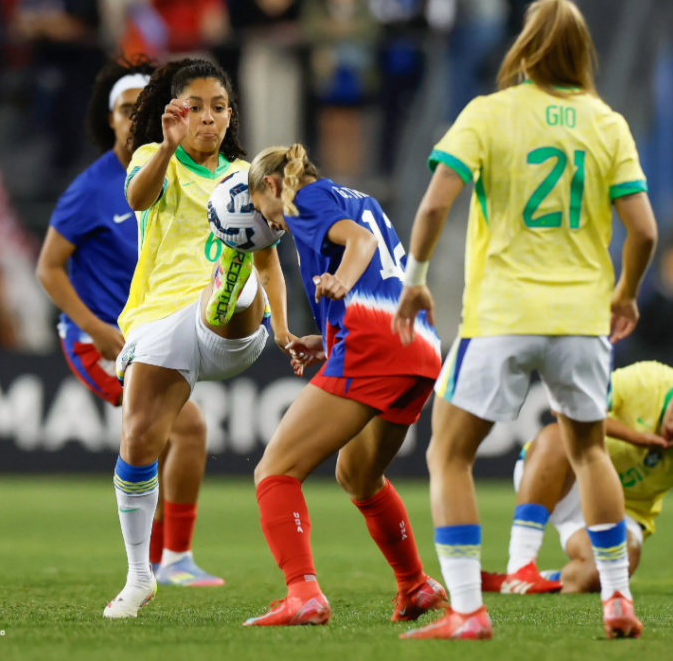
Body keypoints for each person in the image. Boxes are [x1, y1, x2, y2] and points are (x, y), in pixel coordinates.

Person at [393, 0, 659, 640]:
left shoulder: (488, 114)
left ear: (525, 48)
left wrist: (416, 282)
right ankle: (618, 600)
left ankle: (466, 611)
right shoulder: (606, 122)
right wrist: (624, 293)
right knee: (589, 451)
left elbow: (432, 210)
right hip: (581, 317)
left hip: (502, 314)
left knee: (449, 455)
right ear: (582, 53)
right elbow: (644, 230)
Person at [103, 58, 292, 618]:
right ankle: (142, 576)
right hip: (159, 321)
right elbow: (138, 199)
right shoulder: (150, 158)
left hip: (225, 320)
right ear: (176, 112)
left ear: (230, 114)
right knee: (138, 440)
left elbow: (272, 265)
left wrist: (282, 330)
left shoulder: (245, 177)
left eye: (217, 108)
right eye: (195, 108)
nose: (206, 118)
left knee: (235, 277)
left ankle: (225, 280)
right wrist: (166, 145)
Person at [37, 57, 226, 591]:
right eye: (124, 109)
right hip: (100, 339)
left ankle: (166, 558)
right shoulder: (91, 189)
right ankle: (171, 558)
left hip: (149, 331)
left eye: (142, 107)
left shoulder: (186, 175)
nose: (131, 118)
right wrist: (93, 327)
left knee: (174, 432)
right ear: (112, 118)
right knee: (186, 428)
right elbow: (48, 267)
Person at [243, 143, 446, 627]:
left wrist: (338, 280)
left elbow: (361, 246)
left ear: (271, 185)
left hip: (375, 346)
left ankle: (303, 595)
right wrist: (325, 339)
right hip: (417, 347)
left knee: (275, 471)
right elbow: (381, 275)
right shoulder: (358, 197)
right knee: (357, 474)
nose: (267, 222)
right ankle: (416, 585)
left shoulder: (302, 199)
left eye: (259, 208)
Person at [481, 362, 673, 597]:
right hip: (564, 479)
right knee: (557, 437)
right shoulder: (650, 379)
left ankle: (521, 581)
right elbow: (566, 411)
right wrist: (636, 437)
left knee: (610, 570)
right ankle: (521, 563)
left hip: (623, 511)